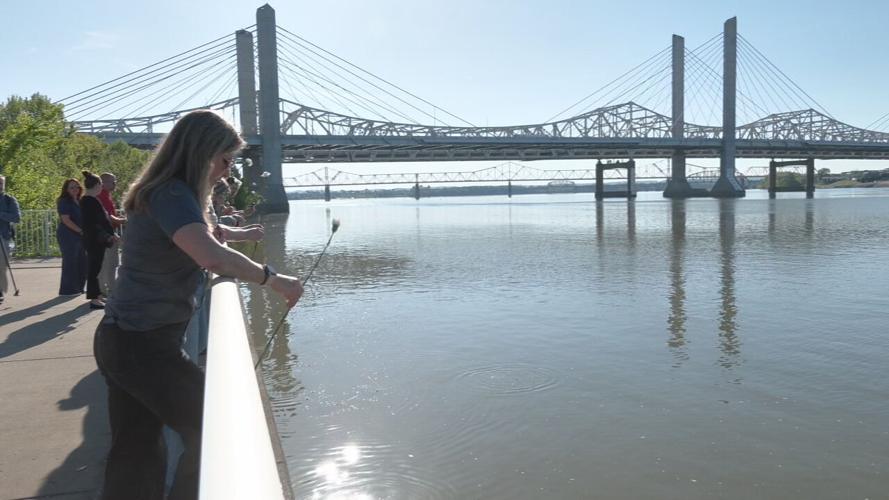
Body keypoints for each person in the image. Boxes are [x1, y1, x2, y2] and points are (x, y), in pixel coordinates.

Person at [93, 109, 303, 500]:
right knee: (219, 429)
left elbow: (203, 234)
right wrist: (275, 279)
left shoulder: (167, 192)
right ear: (202, 152)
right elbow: (211, 255)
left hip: (122, 339)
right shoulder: (172, 192)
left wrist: (231, 236)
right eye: (226, 160)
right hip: (143, 346)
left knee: (135, 454)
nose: (227, 171)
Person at [80, 171, 118, 310]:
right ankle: (94, 298)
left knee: (97, 268)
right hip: (95, 239)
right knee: (94, 269)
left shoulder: (91, 200)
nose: (102, 187)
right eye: (101, 184)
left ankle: (97, 296)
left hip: (96, 239)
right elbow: (94, 223)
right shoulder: (89, 201)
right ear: (96, 185)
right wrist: (107, 235)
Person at [56, 178, 87, 296]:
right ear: (66, 189)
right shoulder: (64, 201)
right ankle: (68, 290)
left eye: (77, 187)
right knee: (70, 262)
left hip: (80, 235)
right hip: (68, 235)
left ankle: (79, 287)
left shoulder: (80, 201)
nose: (75, 189)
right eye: (71, 187)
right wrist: (80, 231)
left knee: (82, 261)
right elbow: (65, 220)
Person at [98, 172, 126, 297]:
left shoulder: (106, 196)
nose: (115, 184)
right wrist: (122, 220)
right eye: (112, 181)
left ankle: (105, 288)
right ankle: (107, 289)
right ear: (103, 183)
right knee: (109, 263)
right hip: (106, 234)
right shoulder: (101, 196)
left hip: (108, 232)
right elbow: (107, 216)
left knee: (109, 262)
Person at [0, 175, 22, 303]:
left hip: (3, 237)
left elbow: (17, 217)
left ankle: (0, 291)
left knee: (1, 265)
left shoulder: (9, 200)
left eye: (1, 183)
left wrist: (1, 214)